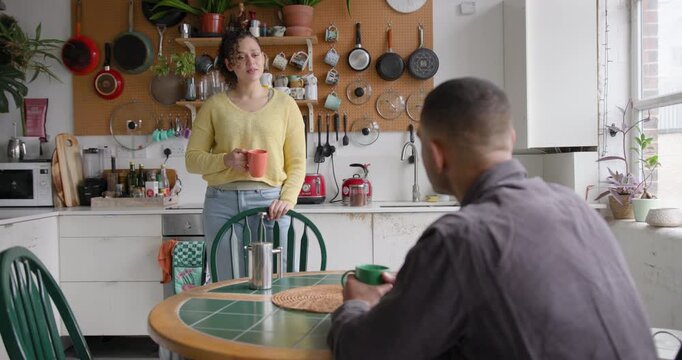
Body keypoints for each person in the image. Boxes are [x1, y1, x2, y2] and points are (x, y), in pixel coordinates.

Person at [327, 77, 657, 359]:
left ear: (437, 154)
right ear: (510, 140)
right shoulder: (574, 207)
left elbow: (369, 353)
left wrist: (355, 305)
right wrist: (419, 290)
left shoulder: (458, 238)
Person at [185, 30, 305, 282]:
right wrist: (225, 160)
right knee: (226, 283)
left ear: (264, 57)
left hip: (270, 203)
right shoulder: (214, 106)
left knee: (279, 280)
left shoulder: (285, 105)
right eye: (240, 57)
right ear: (229, 65)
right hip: (221, 203)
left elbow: (297, 162)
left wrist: (288, 198)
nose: (251, 62)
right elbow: (192, 159)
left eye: (255, 54)